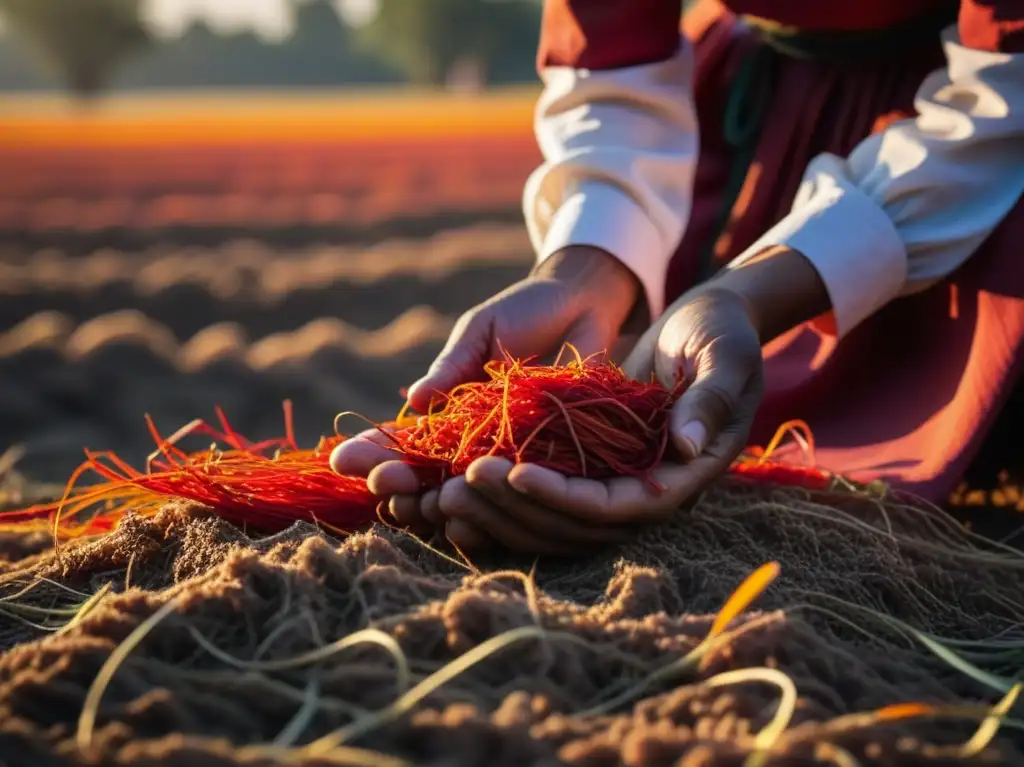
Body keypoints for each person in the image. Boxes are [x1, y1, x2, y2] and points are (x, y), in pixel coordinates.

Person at [333, 0, 1024, 554]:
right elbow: (609, 54)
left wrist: (747, 293)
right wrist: (587, 264)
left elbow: (1003, 94)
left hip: (968, 154)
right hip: (753, 117)